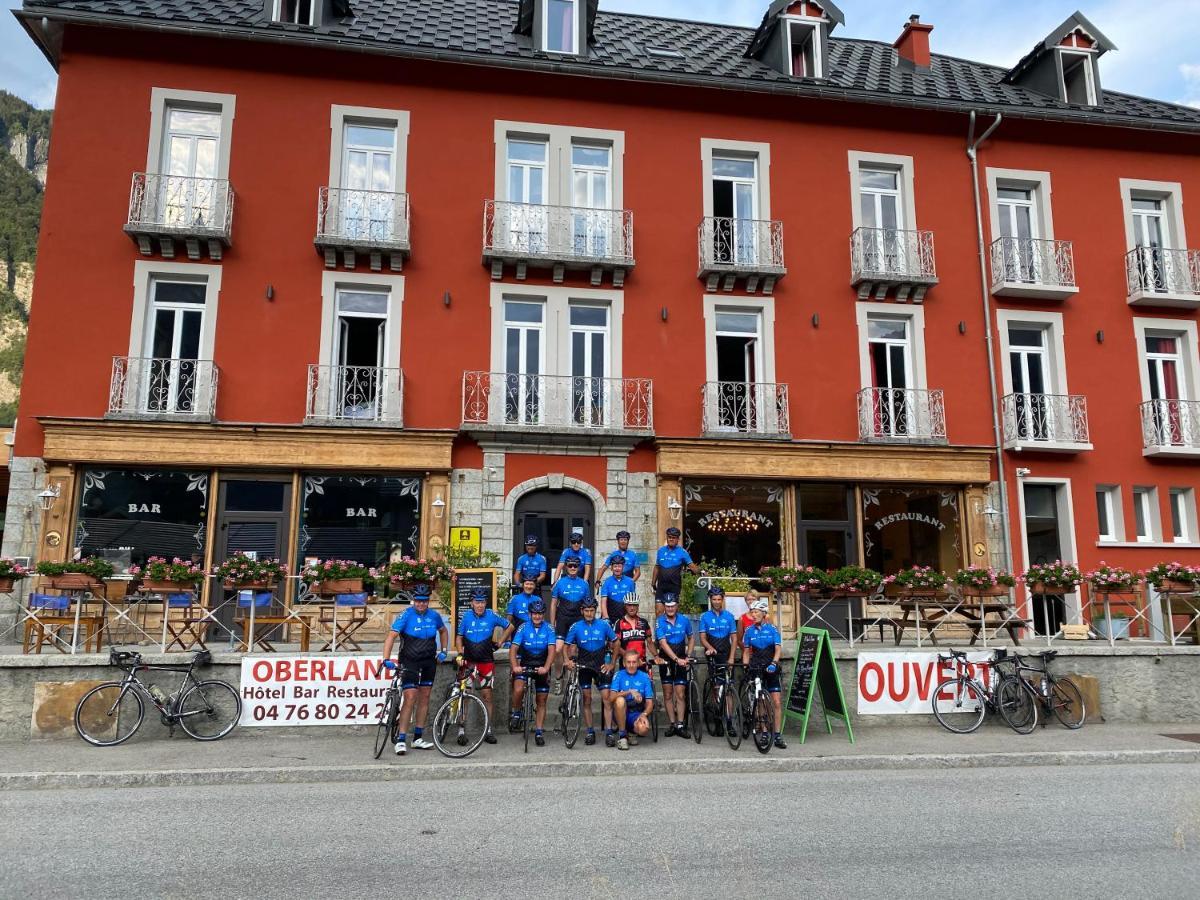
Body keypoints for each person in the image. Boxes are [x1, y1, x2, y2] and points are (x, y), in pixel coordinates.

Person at [381, 583, 449, 755]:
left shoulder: (434, 616)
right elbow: (391, 636)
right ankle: (402, 738)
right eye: (418, 601)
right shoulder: (406, 614)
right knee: (410, 697)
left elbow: (443, 631)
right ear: (413, 601)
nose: (421, 604)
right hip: (409, 661)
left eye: (424, 601)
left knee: (425, 697)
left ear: (428, 601)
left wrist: (444, 651)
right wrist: (386, 658)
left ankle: (418, 737)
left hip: (428, 661)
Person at [560, 597, 618, 746]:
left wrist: (612, 663)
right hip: (584, 665)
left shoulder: (604, 625)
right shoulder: (575, 626)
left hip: (601, 665)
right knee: (587, 699)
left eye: (592, 610)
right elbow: (566, 646)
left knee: (606, 698)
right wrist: (567, 661)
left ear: (595, 611)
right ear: (582, 611)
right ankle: (590, 731)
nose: (589, 613)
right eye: (586, 611)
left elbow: (616, 642)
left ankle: (609, 732)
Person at [455, 585, 507, 745]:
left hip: (486, 662)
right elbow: (459, 637)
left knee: (487, 696)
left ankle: (488, 730)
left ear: (486, 603)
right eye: (477, 602)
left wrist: (501, 642)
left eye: (482, 602)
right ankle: (461, 730)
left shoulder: (492, 615)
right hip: (469, 662)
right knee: (465, 696)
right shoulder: (466, 617)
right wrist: (460, 653)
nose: (480, 605)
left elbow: (509, 626)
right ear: (471, 603)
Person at [509, 599, 557, 746]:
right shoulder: (523, 627)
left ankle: (539, 731)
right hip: (525, 664)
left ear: (543, 614)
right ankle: (516, 711)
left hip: (542, 665)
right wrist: (514, 666)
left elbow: (552, 651)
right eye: (535, 614)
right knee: (518, 689)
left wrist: (547, 668)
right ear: (530, 614)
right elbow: (513, 649)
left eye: (540, 614)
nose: (537, 616)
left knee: (541, 701)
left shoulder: (549, 628)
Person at [742, 598, 787, 750]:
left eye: (756, 612)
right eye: (752, 612)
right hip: (756, 668)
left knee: (776, 702)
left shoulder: (772, 629)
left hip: (771, 667)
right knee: (760, 700)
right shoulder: (749, 631)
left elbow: (778, 649)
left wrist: (774, 663)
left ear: (763, 613)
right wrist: (745, 667)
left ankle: (778, 734)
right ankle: (765, 733)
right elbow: (747, 652)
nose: (753, 615)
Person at [655, 594, 695, 738]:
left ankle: (680, 724)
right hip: (666, 661)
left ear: (677, 606)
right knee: (668, 693)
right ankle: (672, 723)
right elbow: (663, 643)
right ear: (664, 607)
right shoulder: (659, 621)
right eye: (667, 606)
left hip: (681, 661)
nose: (670, 609)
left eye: (672, 606)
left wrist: (688, 654)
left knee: (680, 693)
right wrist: (676, 658)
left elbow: (691, 637)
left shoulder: (684, 620)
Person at [550, 557, 590, 687]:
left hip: (577, 620)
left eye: (575, 566)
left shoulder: (584, 584)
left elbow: (588, 605)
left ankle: (571, 680)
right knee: (558, 649)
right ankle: (558, 678)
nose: (573, 568)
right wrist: (552, 623)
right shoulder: (560, 583)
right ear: (566, 567)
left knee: (572, 651)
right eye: (570, 566)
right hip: (562, 619)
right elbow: (553, 604)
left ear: (579, 568)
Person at [610, 650, 655, 750]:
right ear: (624, 663)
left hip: (636, 712)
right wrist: (629, 692)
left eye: (634, 662)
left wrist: (644, 714)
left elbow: (649, 702)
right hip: (620, 711)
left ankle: (631, 732)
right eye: (628, 662)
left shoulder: (644, 677)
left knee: (643, 729)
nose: (631, 665)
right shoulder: (619, 675)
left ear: (638, 663)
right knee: (620, 700)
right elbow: (611, 698)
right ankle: (622, 737)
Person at [651, 527, 698, 619]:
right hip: (661, 587)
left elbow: (692, 567)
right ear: (667, 538)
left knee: (673, 613)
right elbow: (657, 567)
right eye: (669, 537)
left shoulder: (682, 552)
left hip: (674, 586)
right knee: (658, 612)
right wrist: (653, 583)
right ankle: (660, 633)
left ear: (678, 539)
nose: (671, 539)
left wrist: (702, 572)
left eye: (674, 537)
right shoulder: (661, 551)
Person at [597, 554, 637, 624]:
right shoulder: (607, 582)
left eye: (619, 566)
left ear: (623, 567)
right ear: (611, 568)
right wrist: (606, 618)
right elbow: (603, 602)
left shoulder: (630, 581)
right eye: (615, 566)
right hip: (611, 617)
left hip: (625, 618)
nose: (617, 568)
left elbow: (633, 602)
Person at [503, 575, 539, 642]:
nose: (529, 586)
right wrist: (507, 639)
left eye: (531, 584)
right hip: (517, 636)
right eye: (527, 584)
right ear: (523, 585)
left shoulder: (538, 599)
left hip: (534, 636)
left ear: (534, 586)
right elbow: (508, 621)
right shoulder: (514, 599)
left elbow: (542, 619)